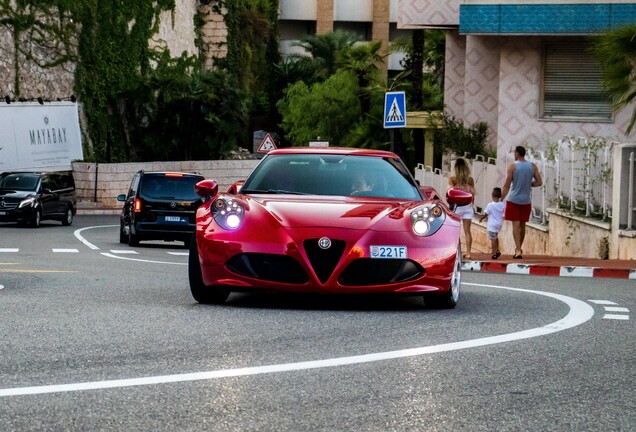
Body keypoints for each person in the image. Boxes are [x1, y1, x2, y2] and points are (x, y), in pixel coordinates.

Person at [502, 145, 543, 259]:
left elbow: (506, 185)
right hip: (526, 200)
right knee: (522, 225)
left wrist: (501, 198)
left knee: (515, 225)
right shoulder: (532, 167)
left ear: (517, 154)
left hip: (514, 199)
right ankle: (519, 248)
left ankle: (518, 249)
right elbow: (539, 182)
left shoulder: (512, 167)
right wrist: (530, 184)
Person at [448, 158, 476, 259]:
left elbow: (450, 193)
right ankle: (468, 253)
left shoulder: (453, 179)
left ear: (456, 168)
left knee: (456, 231)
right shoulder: (470, 180)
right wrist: (472, 205)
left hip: (457, 207)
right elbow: (473, 195)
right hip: (468, 207)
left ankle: (456, 252)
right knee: (467, 231)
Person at [479, 187, 505, 259]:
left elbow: (486, 214)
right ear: (500, 196)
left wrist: (481, 219)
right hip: (499, 224)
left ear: (492, 196)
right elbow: (504, 212)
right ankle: (497, 250)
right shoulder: (502, 205)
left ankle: (494, 253)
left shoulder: (490, 205)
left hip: (492, 225)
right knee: (496, 237)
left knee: (493, 238)